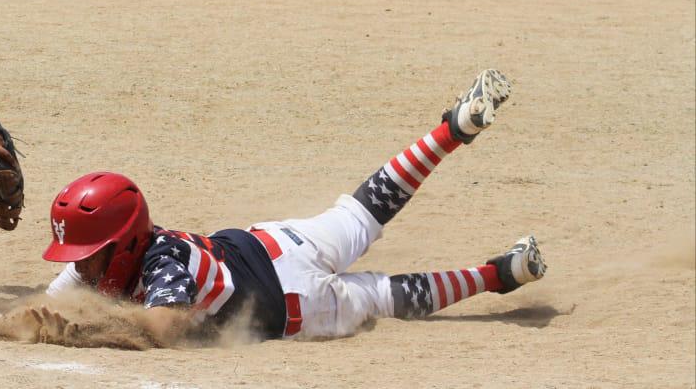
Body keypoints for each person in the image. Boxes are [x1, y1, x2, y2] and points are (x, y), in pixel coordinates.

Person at [35, 70, 548, 346]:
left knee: (385, 295)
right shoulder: (117, 255)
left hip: (299, 300)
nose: (80, 264)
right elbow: (47, 302)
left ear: (123, 244)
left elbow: (163, 326)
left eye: (89, 253)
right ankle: (450, 130)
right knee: (365, 208)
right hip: (278, 242)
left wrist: (81, 334)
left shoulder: (161, 264)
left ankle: (495, 274)